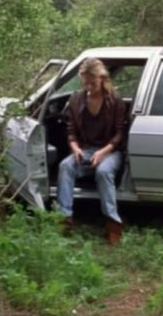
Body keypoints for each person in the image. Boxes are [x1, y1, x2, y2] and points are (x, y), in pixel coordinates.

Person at [56, 58, 126, 244]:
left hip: (110, 151)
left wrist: (102, 153)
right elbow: (70, 132)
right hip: (85, 149)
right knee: (66, 166)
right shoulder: (76, 99)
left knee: (103, 172)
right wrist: (76, 149)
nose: (89, 86)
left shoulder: (115, 100)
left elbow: (119, 135)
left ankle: (113, 223)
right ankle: (64, 218)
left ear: (101, 78)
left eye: (92, 82)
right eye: (85, 82)